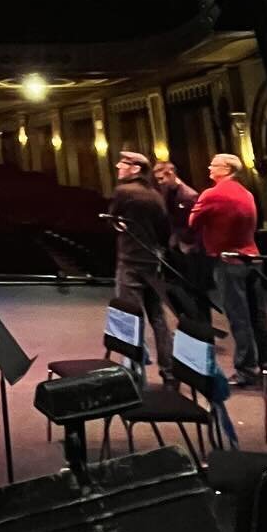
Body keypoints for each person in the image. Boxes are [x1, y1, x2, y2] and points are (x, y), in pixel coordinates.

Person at [189, 152, 267, 387]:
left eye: (214, 165)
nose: (209, 168)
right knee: (259, 317)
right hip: (254, 258)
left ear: (226, 169)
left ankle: (246, 370)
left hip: (228, 261)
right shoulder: (246, 193)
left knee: (239, 318)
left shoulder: (212, 194)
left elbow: (192, 223)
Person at [108, 150, 174, 378]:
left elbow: (113, 220)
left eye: (123, 164)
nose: (118, 167)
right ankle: (169, 369)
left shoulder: (123, 192)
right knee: (158, 317)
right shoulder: (155, 195)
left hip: (130, 261)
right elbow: (165, 230)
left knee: (129, 315)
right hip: (152, 262)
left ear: (135, 169)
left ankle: (134, 369)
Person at [153, 158, 211, 322]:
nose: (160, 182)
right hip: (177, 247)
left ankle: (203, 328)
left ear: (171, 174)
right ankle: (189, 325)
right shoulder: (167, 192)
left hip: (192, 249)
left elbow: (196, 225)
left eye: (162, 178)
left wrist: (188, 244)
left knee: (196, 291)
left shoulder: (188, 195)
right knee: (179, 289)